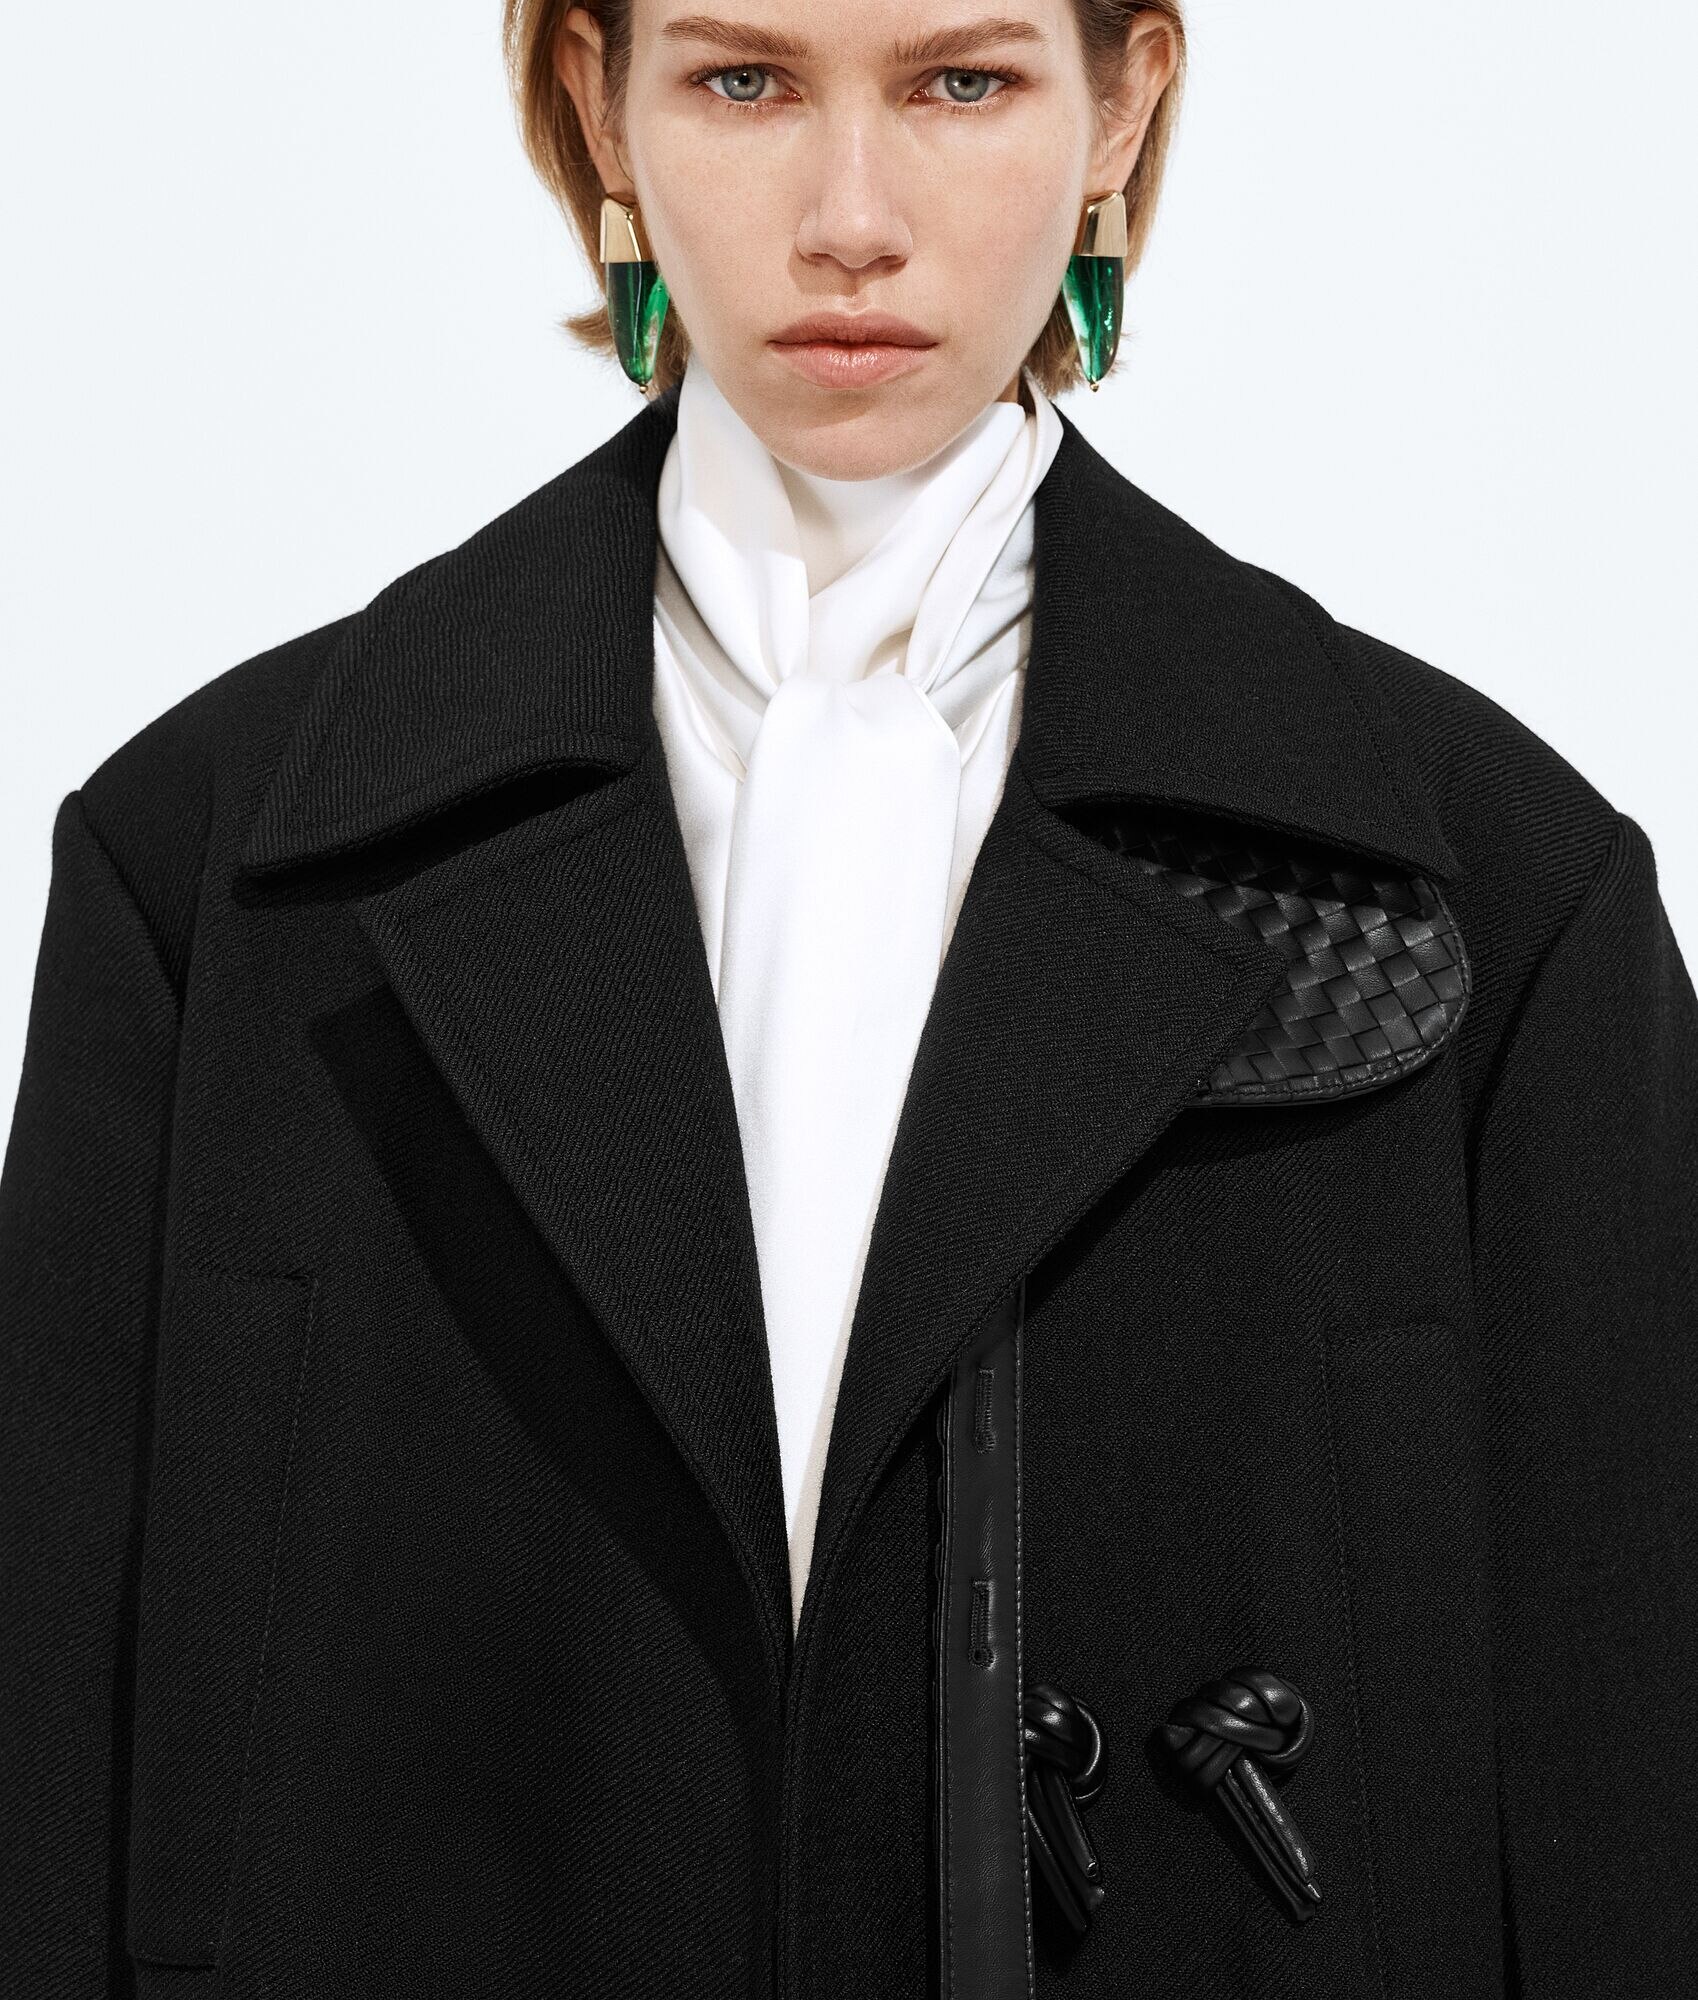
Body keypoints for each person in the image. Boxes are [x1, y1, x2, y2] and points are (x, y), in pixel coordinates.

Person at [2, 1, 1694, 1994]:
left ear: (1121, 104)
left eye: (961, 83)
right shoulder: (215, 872)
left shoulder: (1491, 888)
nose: (851, 218)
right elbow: (53, 1771)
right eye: (746, 82)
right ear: (597, 105)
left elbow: (1629, 1798)